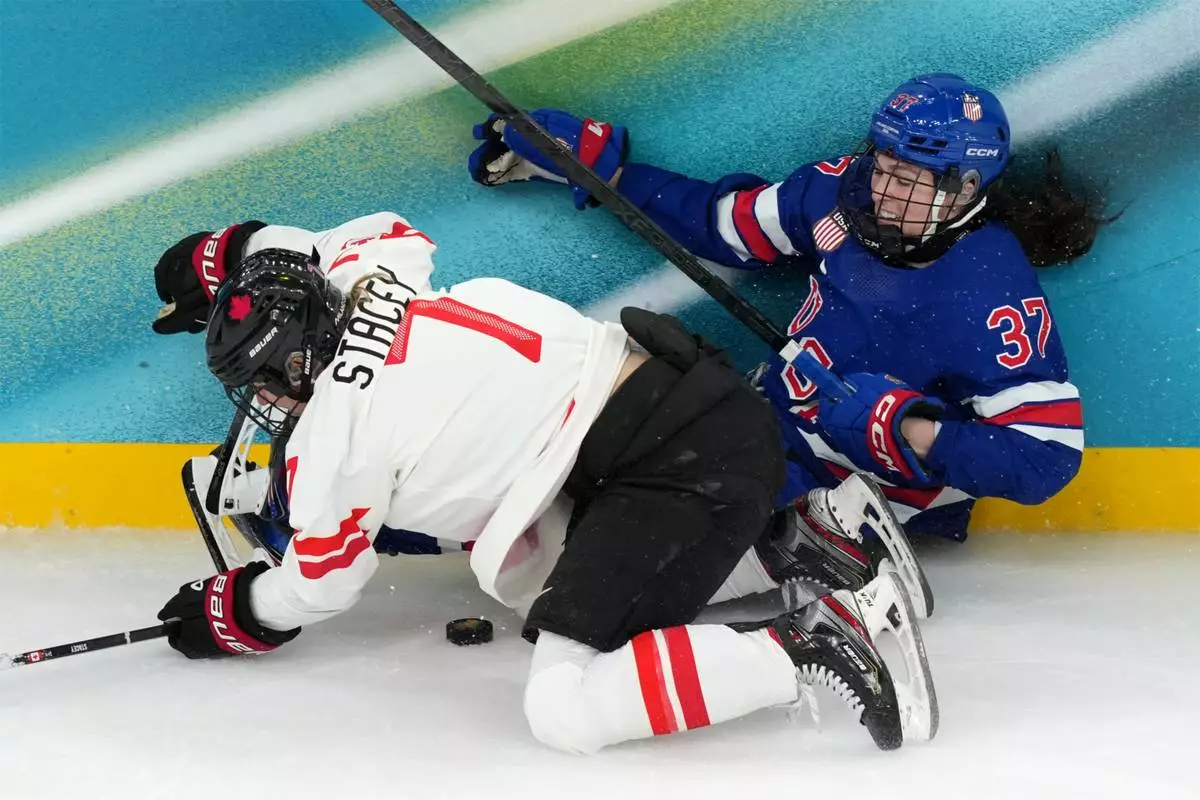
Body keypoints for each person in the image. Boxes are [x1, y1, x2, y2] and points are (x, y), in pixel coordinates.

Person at [148, 211, 937, 753]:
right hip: (697, 404)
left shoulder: (334, 444)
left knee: (565, 705)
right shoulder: (374, 272)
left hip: (666, 466)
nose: (269, 404)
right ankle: (803, 540)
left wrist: (237, 610)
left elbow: (320, 583)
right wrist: (229, 254)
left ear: (297, 360)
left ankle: (807, 644)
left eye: (268, 382)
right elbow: (340, 236)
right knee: (541, 589)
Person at [468, 72, 1107, 590]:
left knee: (621, 557)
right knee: (590, 455)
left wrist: (905, 424)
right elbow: (725, 226)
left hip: (851, 492)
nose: (884, 192)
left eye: (909, 181)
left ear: (966, 187)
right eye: (884, 166)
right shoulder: (841, 193)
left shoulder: (990, 295)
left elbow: (1044, 460)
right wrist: (604, 174)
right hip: (767, 429)